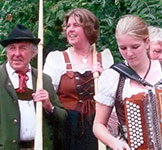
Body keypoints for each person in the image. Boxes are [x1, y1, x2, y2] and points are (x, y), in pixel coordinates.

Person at [93, 15, 162, 150]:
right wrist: (114, 142)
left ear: (147, 42)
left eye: (135, 47)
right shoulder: (115, 77)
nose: (129, 53)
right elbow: (98, 125)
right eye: (123, 48)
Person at [0, 24, 67, 150]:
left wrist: (49, 106)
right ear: (7, 52)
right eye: (12, 48)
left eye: (23, 48)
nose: (17, 54)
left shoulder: (43, 79)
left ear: (33, 53)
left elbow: (62, 119)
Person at [43, 8, 114, 150]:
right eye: (68, 26)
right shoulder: (57, 59)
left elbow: (113, 98)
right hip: (67, 129)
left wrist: (104, 77)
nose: (70, 29)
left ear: (88, 28)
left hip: (98, 127)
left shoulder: (104, 58)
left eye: (76, 25)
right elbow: (49, 96)